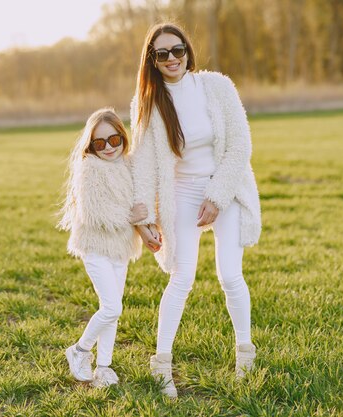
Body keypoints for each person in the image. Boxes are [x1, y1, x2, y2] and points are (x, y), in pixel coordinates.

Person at [129, 23, 262, 397]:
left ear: (188, 51)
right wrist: (144, 220)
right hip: (181, 194)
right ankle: (161, 365)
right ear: (152, 61)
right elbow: (142, 163)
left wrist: (217, 196)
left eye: (178, 50)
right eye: (162, 54)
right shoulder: (149, 102)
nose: (172, 59)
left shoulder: (218, 87)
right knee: (182, 277)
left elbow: (240, 147)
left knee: (230, 276)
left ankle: (245, 356)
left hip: (226, 187)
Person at [58, 108, 146, 388]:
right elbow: (97, 213)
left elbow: (139, 200)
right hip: (95, 247)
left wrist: (146, 225)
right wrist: (132, 216)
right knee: (111, 307)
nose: (108, 147)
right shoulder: (89, 169)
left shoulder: (128, 166)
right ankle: (80, 350)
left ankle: (104, 366)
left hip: (119, 247)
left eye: (114, 140)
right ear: (91, 146)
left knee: (112, 308)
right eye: (100, 143)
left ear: (123, 137)